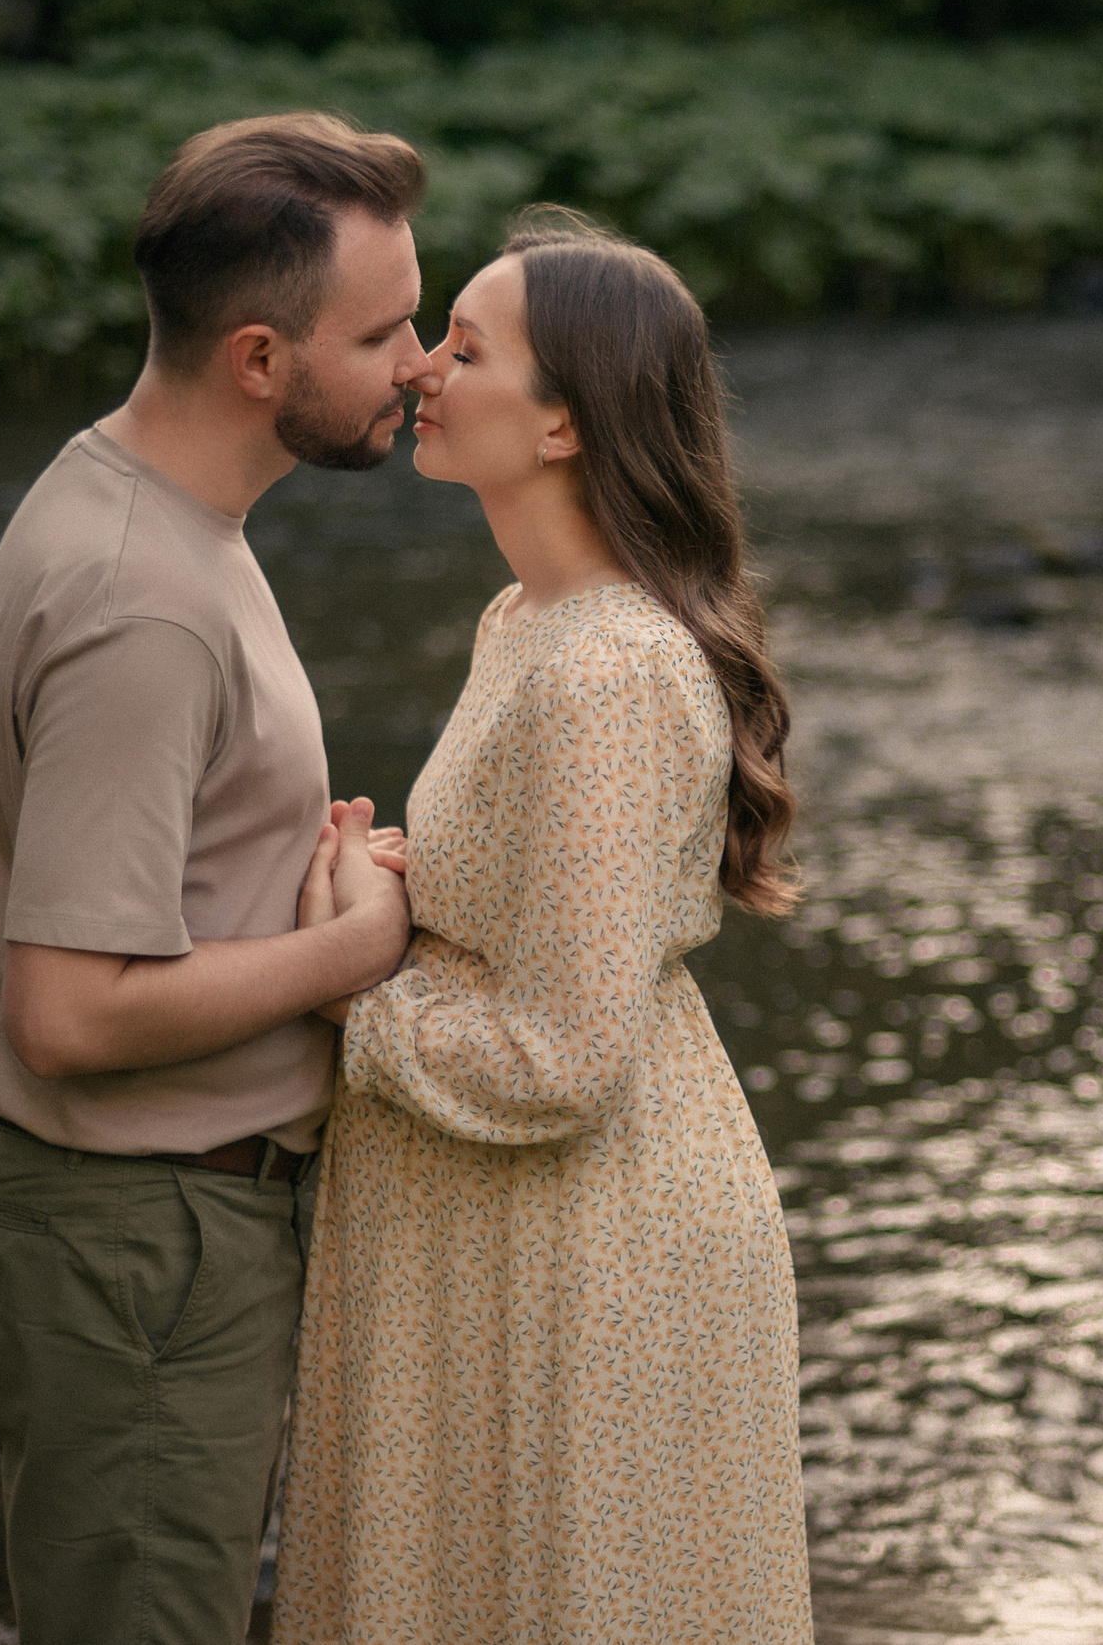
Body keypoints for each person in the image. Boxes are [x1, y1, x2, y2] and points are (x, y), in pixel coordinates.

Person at [273, 211, 814, 1643]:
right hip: (497, 1224)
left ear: (567, 421)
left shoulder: (610, 672)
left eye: (466, 346)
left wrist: (351, 980)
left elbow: (566, 1055)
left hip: (586, 1248)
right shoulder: (524, 620)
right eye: (432, 338)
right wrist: (396, 880)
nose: (422, 371)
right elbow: (525, 898)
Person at [0, 112, 423, 1645]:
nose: (421, 363)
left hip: (143, 1234)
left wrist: (310, 864)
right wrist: (362, 947)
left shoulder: (154, 510)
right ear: (261, 361)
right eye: (389, 330)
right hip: (136, 1248)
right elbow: (70, 1010)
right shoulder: (145, 600)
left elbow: (156, 873)